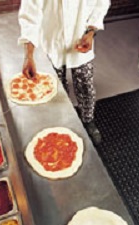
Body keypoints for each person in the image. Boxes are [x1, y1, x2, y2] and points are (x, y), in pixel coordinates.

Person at [18, 0, 110, 144]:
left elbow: (101, 3)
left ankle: (88, 121)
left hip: (81, 38)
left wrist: (91, 31)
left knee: (86, 86)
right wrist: (29, 55)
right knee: (57, 89)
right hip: (52, 41)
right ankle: (63, 123)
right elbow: (30, 15)